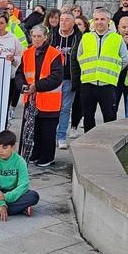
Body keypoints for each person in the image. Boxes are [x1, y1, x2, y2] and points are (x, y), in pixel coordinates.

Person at [16, 25, 63, 167]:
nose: (36, 39)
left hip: (49, 100)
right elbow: (20, 73)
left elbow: (56, 77)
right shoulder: (27, 53)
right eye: (34, 36)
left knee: (47, 132)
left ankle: (47, 157)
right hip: (31, 99)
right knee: (34, 129)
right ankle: (36, 154)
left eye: (39, 36)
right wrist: (23, 86)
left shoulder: (54, 54)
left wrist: (36, 86)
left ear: (45, 37)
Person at [74, 8, 126, 131]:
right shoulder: (86, 37)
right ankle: (89, 143)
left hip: (108, 84)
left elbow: (124, 60)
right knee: (88, 117)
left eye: (102, 19)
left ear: (108, 21)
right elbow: (79, 56)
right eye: (96, 19)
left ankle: (107, 143)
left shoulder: (117, 38)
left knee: (109, 117)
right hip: (88, 83)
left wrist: (113, 71)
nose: (99, 22)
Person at [0, 130, 39, 219]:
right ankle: (20, 209)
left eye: (4, 147)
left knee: (33, 196)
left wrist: (5, 197)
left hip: (14, 192)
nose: (0, 151)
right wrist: (1, 204)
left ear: (13, 147)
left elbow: (23, 184)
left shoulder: (20, 161)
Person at [50, 11, 80, 148]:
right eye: (61, 19)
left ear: (73, 22)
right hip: (52, 78)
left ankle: (61, 136)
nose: (63, 22)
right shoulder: (52, 35)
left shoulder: (79, 37)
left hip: (69, 78)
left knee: (65, 108)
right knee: (51, 108)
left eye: (67, 20)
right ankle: (49, 135)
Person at [69, 15, 89, 138]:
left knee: (79, 103)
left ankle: (74, 126)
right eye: (75, 24)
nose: (77, 27)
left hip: (84, 75)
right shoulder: (73, 38)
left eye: (79, 24)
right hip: (73, 74)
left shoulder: (88, 38)